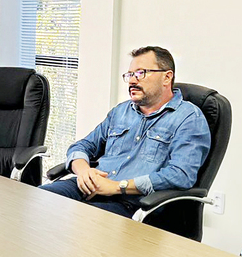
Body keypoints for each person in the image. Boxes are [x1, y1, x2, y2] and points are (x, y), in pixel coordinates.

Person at [40, 46, 211, 216]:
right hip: (88, 187)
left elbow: (180, 175)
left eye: (140, 73)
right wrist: (84, 172)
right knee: (33, 201)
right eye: (130, 75)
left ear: (167, 77)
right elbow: (83, 146)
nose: (132, 81)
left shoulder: (189, 118)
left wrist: (117, 186)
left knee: (73, 222)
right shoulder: (121, 112)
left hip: (131, 203)